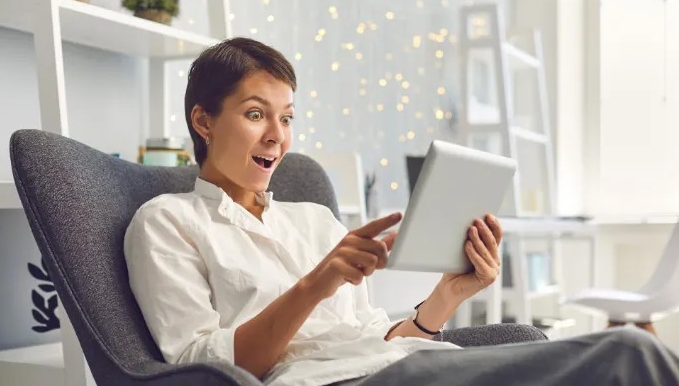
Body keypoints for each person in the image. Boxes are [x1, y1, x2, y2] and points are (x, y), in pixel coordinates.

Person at [123, 37, 679, 386]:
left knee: (627, 355)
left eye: (287, 118)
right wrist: (315, 284)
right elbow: (205, 368)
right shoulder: (169, 222)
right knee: (628, 351)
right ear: (203, 121)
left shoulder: (315, 221)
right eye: (255, 113)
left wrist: (449, 295)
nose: (277, 136)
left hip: (395, 364)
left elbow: (371, 336)